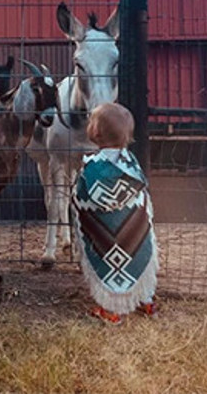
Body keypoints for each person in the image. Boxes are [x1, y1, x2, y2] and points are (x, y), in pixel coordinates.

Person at [71, 102, 159, 325]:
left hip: (102, 230)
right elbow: (142, 195)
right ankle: (145, 299)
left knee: (107, 260)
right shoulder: (131, 163)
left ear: (96, 132)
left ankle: (112, 309)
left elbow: (81, 197)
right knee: (136, 254)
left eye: (91, 121)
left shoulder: (91, 166)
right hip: (134, 229)